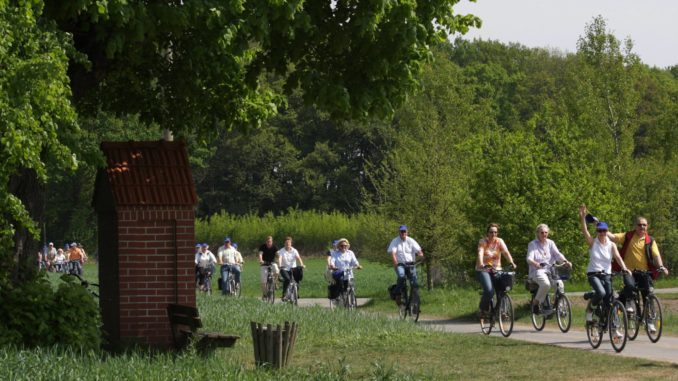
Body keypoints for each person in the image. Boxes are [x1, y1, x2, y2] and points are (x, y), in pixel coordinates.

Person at [608, 215, 669, 332]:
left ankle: (649, 321)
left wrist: (661, 266)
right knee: (630, 286)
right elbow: (613, 237)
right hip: (628, 271)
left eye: (644, 225)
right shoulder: (628, 236)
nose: (642, 227)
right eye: (639, 225)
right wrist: (603, 229)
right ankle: (629, 303)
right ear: (635, 226)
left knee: (648, 295)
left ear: (647, 227)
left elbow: (656, 255)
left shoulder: (650, 240)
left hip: (644, 273)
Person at [578, 205, 630, 322]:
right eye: (599, 230)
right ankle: (590, 309)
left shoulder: (611, 245)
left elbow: (617, 257)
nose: (602, 233)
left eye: (604, 231)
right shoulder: (593, 243)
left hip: (606, 274)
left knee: (609, 300)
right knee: (601, 292)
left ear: (607, 231)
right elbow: (585, 231)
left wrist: (625, 268)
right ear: (597, 231)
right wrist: (582, 218)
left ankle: (612, 325)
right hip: (593, 274)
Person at [526, 224, 572, 314]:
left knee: (560, 285)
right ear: (537, 233)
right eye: (542, 232)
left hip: (551, 269)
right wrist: (536, 264)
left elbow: (557, 254)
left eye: (546, 232)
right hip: (537, 271)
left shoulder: (550, 243)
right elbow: (529, 258)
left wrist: (565, 261)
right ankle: (536, 302)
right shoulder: (532, 244)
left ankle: (561, 308)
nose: (544, 234)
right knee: (546, 284)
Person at [475, 223, 517, 316]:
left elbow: (506, 252)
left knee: (502, 289)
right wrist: (481, 263)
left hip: (497, 269)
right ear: (487, 233)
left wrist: (511, 262)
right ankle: (483, 309)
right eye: (491, 232)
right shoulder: (483, 241)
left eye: (495, 232)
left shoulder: (499, 241)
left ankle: (501, 311)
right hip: (483, 270)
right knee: (489, 291)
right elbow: (480, 252)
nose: (493, 234)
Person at [387, 225, 425, 303]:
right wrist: (395, 264)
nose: (403, 233)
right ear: (399, 232)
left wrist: (421, 255)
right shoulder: (395, 241)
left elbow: (419, 250)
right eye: (401, 231)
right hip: (400, 264)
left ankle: (415, 304)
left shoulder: (411, 241)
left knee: (414, 283)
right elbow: (393, 253)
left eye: (404, 231)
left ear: (407, 232)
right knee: (401, 276)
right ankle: (397, 293)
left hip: (411, 264)